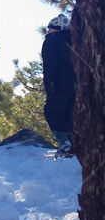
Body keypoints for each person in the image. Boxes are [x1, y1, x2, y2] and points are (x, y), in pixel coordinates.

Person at [41, 13, 76, 155]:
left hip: (58, 82)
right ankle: (73, 144)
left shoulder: (51, 41)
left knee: (52, 112)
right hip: (74, 83)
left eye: (50, 28)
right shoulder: (74, 41)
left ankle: (65, 144)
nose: (48, 31)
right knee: (68, 113)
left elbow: (50, 63)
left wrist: (49, 83)